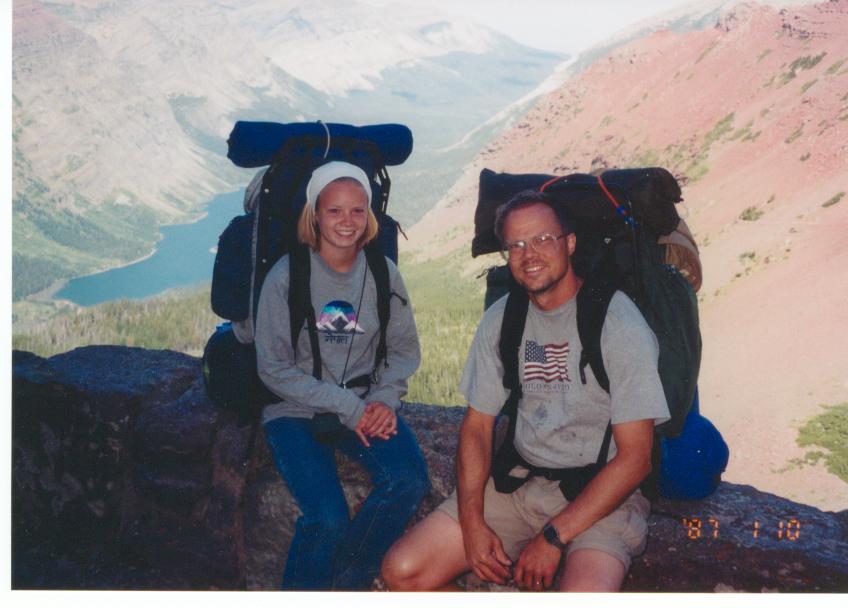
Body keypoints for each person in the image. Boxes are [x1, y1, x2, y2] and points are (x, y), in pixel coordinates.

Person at [381, 190, 669, 592]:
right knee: (404, 572)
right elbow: (478, 429)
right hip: (520, 484)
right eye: (515, 245)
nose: (528, 254)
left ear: (569, 243)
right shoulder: (505, 318)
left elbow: (636, 458)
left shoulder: (616, 322)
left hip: (603, 495)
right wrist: (472, 522)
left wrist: (552, 538)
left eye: (542, 239)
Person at [254, 161, 429, 590]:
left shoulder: (383, 272)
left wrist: (385, 400)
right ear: (314, 213)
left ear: (369, 215)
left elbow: (404, 350)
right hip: (296, 409)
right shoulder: (287, 276)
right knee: (327, 518)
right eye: (334, 211)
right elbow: (272, 367)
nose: (346, 222)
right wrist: (349, 408)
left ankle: (346, 583)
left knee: (408, 480)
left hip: (366, 403)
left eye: (356, 211)